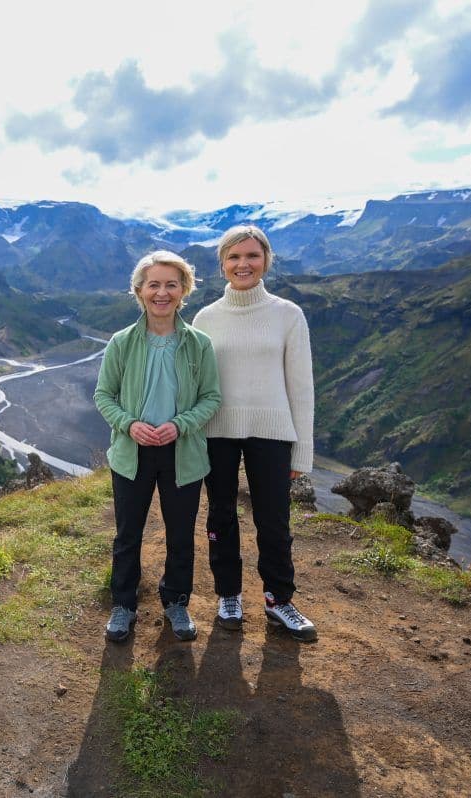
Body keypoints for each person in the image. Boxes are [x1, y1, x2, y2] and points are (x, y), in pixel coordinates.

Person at [192, 225, 317, 641]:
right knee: (221, 515)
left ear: (266, 261)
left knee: (274, 519)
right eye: (234, 257)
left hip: (273, 432)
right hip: (217, 431)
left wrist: (301, 452)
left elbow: (301, 387)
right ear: (222, 265)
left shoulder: (288, 315)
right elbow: (195, 383)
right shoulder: (206, 319)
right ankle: (229, 594)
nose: (243, 264)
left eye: (252, 256)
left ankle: (279, 600)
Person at [94, 250, 221, 643]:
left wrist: (180, 425)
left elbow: (211, 398)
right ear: (139, 291)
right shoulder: (121, 343)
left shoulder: (199, 344)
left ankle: (176, 602)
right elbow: (104, 395)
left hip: (182, 454)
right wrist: (129, 425)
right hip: (131, 454)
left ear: (184, 290)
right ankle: (123, 604)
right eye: (153, 285)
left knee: (180, 534)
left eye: (171, 284)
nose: (162, 293)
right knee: (127, 534)